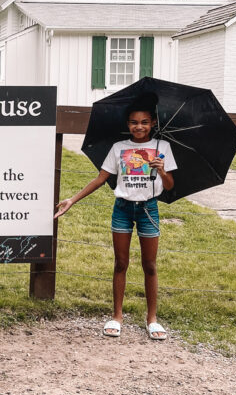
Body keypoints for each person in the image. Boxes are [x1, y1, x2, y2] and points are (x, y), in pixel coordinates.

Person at [54, 102, 176, 341]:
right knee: (121, 263)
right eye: (133, 122)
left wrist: (161, 170)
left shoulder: (163, 148)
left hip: (148, 209)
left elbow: (170, 186)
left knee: (149, 265)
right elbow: (101, 178)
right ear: (128, 124)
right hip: (122, 209)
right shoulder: (119, 148)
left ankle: (152, 319)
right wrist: (73, 200)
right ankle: (117, 316)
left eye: (144, 122)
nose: (138, 126)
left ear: (152, 123)